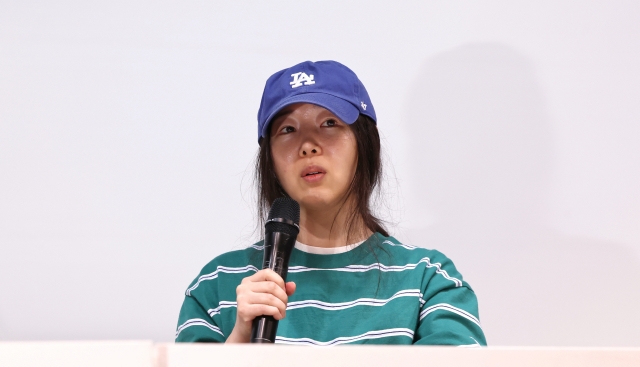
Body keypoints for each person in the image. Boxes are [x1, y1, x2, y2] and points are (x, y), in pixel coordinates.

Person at [175, 60, 486, 346]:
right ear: (269, 159)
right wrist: (241, 340)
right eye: (288, 129)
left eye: (329, 124)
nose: (308, 146)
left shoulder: (428, 280)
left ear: (365, 144)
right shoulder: (216, 286)